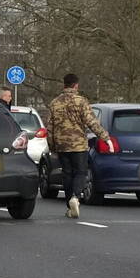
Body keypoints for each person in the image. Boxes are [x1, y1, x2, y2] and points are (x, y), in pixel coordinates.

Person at [48, 73, 112, 219]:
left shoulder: (54, 103)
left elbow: (50, 127)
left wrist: (52, 147)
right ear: (76, 85)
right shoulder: (81, 101)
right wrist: (105, 137)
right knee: (80, 172)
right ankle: (75, 197)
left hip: (62, 145)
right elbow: (92, 122)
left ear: (64, 85)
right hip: (78, 145)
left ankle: (69, 205)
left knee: (67, 174)